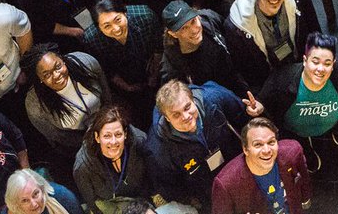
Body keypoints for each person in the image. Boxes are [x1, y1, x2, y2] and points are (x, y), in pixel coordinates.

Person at [145, 81, 259, 210]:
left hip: (242, 168)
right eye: (176, 115)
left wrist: (255, 112)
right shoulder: (158, 149)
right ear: (166, 118)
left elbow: (242, 116)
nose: (186, 116)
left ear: (193, 99)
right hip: (210, 194)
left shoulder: (214, 97)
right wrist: (195, 201)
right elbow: (167, 187)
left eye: (187, 107)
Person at [255, 33, 338, 171]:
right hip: (297, 132)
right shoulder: (283, 78)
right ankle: (306, 151)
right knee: (299, 144)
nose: (321, 69)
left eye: (327, 63)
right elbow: (265, 100)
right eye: (315, 62)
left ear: (333, 64)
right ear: (305, 60)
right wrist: (259, 107)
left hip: (334, 120)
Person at [224, 0, 321, 92]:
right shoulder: (236, 28)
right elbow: (248, 73)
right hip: (271, 83)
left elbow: (315, 30)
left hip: (303, 65)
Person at [81, 0, 162, 126]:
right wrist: (127, 87)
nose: (116, 29)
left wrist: (154, 74)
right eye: (107, 26)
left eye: (118, 20)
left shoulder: (145, 16)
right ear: (98, 28)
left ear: (125, 13)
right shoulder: (92, 39)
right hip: (124, 77)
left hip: (149, 65)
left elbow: (158, 47)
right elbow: (106, 69)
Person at [20, 44, 109, 158]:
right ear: (39, 79)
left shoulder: (84, 62)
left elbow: (105, 90)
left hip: (108, 118)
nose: (56, 75)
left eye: (57, 66)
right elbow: (59, 136)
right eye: (47, 74)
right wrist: (93, 142)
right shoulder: (34, 105)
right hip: (82, 144)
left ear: (63, 60)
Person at [211, 117, 312, 213]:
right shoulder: (226, 184)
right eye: (258, 144)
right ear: (245, 149)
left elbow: (304, 180)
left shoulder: (293, 152)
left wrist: (305, 200)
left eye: (271, 142)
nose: (267, 150)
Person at [70, 106, 156, 214]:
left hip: (143, 202)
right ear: (97, 137)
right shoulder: (83, 167)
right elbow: (94, 205)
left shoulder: (139, 141)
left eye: (118, 134)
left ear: (125, 134)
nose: (114, 142)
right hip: (113, 209)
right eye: (107, 136)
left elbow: (151, 177)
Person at [161, 0, 248, 97]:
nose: (194, 30)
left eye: (193, 21)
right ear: (173, 33)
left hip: (241, 83)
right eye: (184, 28)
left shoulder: (209, 19)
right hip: (216, 103)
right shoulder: (172, 68)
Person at [4, 168, 81, 214]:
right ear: (16, 203)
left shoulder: (62, 196)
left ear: (42, 188)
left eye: (35, 194)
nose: (34, 204)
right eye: (25, 200)